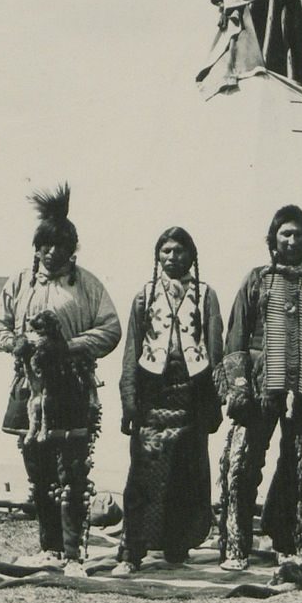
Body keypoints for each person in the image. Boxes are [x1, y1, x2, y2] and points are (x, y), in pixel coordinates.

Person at [0, 184, 121, 577]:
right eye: (45, 245)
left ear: (72, 249)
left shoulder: (87, 286)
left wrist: (71, 347)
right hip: (30, 388)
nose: (51, 253)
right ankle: (48, 548)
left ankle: (74, 554)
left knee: (73, 471)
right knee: (39, 468)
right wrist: (17, 342)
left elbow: (111, 329)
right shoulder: (19, 284)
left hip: (73, 386)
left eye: (59, 245)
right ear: (36, 247)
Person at [216, 204, 302, 571]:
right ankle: (237, 546)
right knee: (243, 464)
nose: (292, 240)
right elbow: (236, 336)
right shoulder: (256, 279)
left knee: (296, 467)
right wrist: (239, 386)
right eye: (285, 234)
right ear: (273, 240)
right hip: (259, 388)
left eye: (299, 234)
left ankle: (286, 542)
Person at [113, 227, 223, 572]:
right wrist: (129, 399)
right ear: (157, 257)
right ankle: (134, 550)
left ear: (192, 256)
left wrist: (215, 399)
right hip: (152, 393)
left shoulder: (206, 295)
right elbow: (131, 350)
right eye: (166, 251)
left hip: (191, 392)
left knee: (186, 474)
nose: (172, 258)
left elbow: (216, 349)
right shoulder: (144, 296)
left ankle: (177, 545)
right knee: (143, 473)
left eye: (179, 251)